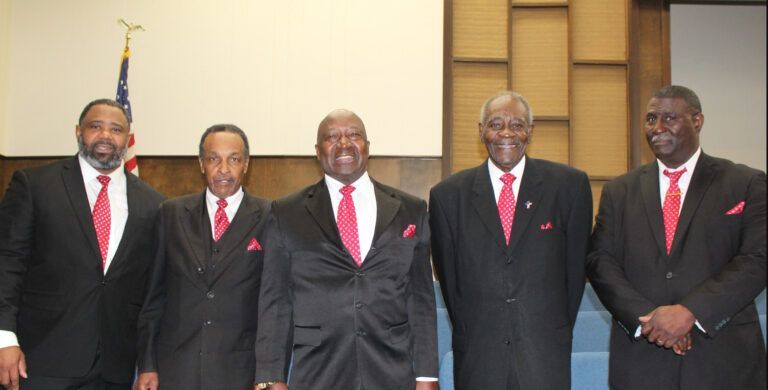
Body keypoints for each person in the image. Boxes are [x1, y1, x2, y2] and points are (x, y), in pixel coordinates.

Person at [586, 85, 766, 389]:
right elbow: (600, 261)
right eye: (651, 119)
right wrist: (648, 321)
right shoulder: (619, 190)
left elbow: (757, 258)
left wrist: (690, 312)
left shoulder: (746, 183)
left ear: (698, 120)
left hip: (723, 355)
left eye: (670, 118)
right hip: (642, 357)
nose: (658, 128)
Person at [254, 109, 438, 390]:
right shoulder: (286, 213)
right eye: (331, 137)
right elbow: (276, 302)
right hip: (318, 372)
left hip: (391, 371)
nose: (343, 144)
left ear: (367, 147)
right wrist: (270, 379)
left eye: (354, 135)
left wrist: (427, 377)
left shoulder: (410, 209)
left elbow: (421, 299)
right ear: (317, 151)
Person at [429, 91, 592, 389]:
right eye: (495, 124)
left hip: (544, 352)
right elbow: (451, 283)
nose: (506, 133)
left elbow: (575, 272)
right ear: (481, 132)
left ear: (530, 132)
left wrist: (548, 328)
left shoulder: (569, 187)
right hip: (479, 353)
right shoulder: (447, 196)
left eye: (517, 125)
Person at [0, 99, 165, 390]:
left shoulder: (154, 204)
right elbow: (7, 264)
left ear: (127, 139)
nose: (105, 135)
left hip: (115, 367)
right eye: (95, 126)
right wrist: (4, 338)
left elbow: (151, 291)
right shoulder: (35, 185)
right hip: (40, 360)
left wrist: (147, 361)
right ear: (78, 131)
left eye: (116, 129)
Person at [134, 124, 271, 390]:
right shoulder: (170, 214)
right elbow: (153, 297)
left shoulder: (270, 216)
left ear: (246, 164)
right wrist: (147, 363)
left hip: (240, 371)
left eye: (233, 159)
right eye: (213, 159)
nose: (223, 169)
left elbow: (273, 304)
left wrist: (269, 372)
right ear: (201, 164)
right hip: (176, 369)